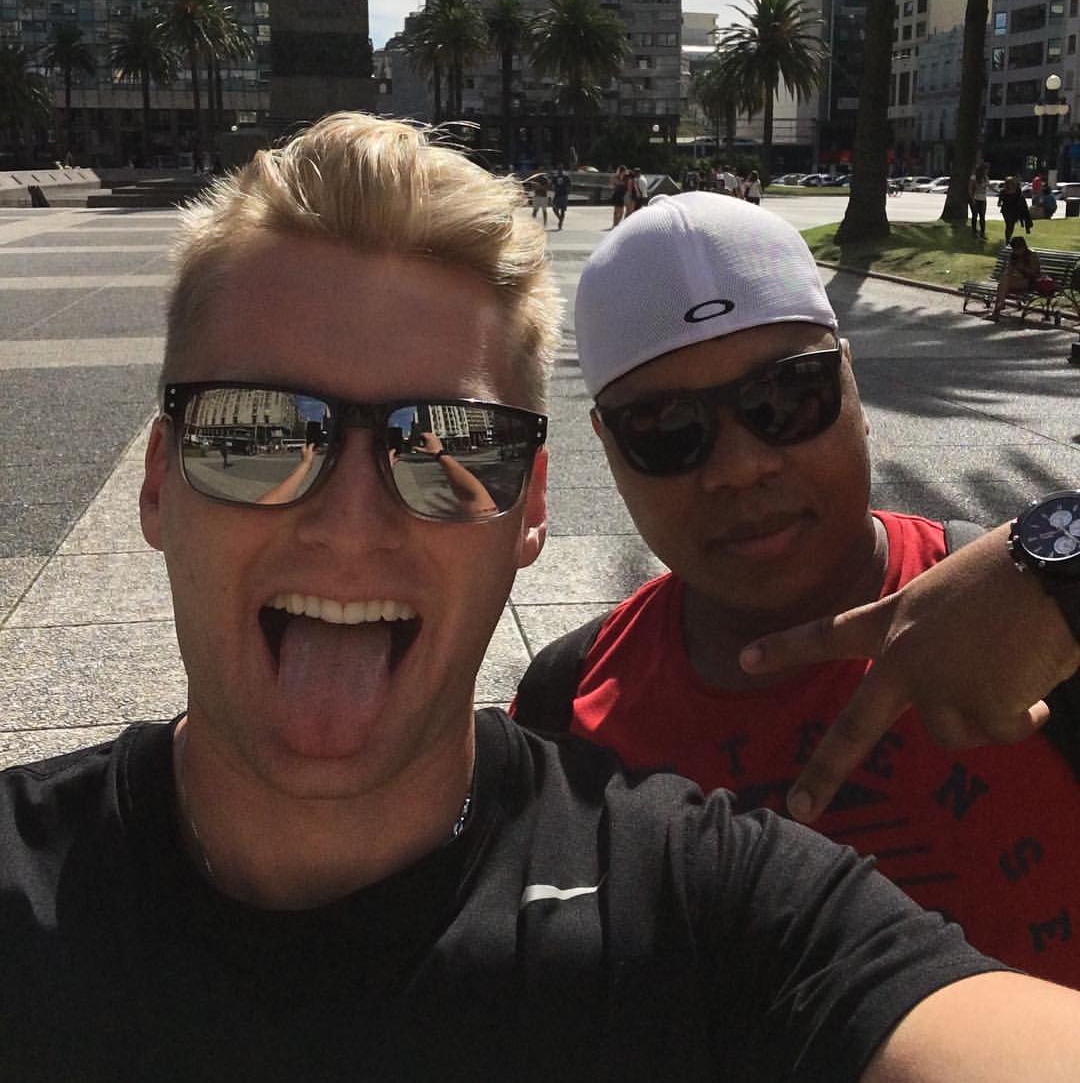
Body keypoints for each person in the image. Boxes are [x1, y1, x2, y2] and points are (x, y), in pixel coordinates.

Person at [4, 116, 1080, 1079]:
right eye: (257, 433)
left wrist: (1055, 563)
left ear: (531, 509)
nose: (348, 522)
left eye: (450, 444)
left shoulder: (696, 889)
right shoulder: (576, 702)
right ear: (155, 481)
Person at [515, 192, 1080, 988]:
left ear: (852, 384)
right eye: (667, 429)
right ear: (608, 447)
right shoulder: (562, 707)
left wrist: (1063, 566)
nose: (743, 466)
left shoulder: (1043, 624)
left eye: (786, 398)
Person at [991, 234, 1042, 320]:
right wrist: (1010, 271)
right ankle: (998, 308)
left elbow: (1035, 273)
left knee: (1003, 284)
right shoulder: (1013, 256)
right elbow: (1009, 269)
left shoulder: (1032, 255)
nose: (1016, 251)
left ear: (1023, 247)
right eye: (1014, 249)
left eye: (1018, 249)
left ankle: (997, 310)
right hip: (1015, 280)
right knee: (1004, 281)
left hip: (1029, 282)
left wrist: (1023, 268)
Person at [997, 175, 1032, 243]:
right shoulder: (1003, 191)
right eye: (1009, 183)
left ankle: (1008, 238)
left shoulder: (1017, 190)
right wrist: (1000, 203)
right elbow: (999, 202)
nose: (1011, 184)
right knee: (1008, 224)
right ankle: (1007, 240)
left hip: (1015, 210)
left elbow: (1021, 199)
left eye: (1012, 183)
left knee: (1012, 225)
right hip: (1006, 210)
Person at [968, 164, 988, 239]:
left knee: (982, 216)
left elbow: (988, 186)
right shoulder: (974, 178)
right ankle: (974, 231)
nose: (987, 171)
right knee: (975, 215)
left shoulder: (985, 178)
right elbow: (970, 189)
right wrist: (972, 199)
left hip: (983, 199)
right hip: (975, 198)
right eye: (985, 170)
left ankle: (982, 233)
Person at [550, 164, 570, 230]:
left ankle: (560, 223)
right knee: (554, 208)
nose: (559, 170)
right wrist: (553, 188)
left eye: (561, 169)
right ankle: (560, 219)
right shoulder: (555, 177)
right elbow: (552, 184)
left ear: (562, 169)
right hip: (557, 194)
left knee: (562, 210)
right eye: (558, 169)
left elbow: (569, 185)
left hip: (563, 195)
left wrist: (567, 191)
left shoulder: (566, 177)